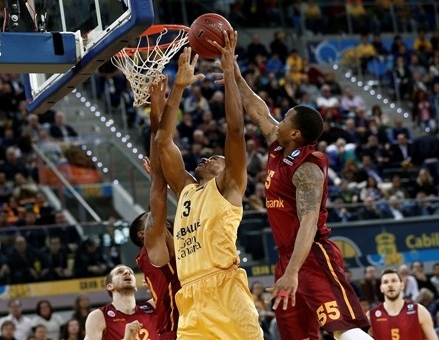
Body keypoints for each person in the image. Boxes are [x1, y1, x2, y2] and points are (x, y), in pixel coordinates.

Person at [223, 32, 371, 340]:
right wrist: (232, 70)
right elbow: (257, 109)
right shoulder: (279, 146)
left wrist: (293, 272)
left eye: (287, 119)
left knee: (343, 329)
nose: (280, 121)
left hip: (312, 256)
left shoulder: (307, 167)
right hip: (286, 259)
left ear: (297, 134)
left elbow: (308, 222)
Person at [154, 37, 262, 338]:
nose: (205, 157)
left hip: (226, 291)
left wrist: (229, 72)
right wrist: (178, 88)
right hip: (190, 296)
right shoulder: (186, 188)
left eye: (215, 158)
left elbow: (236, 129)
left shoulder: (230, 186)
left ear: (228, 169)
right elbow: (163, 141)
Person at [128, 77, 180, 340]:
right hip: (177, 328)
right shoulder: (153, 245)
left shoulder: (169, 242)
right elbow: (158, 194)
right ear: (143, 235)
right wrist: (156, 111)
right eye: (149, 219)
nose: (159, 218)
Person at [83, 265, 159, 340]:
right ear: (110, 286)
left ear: (135, 286)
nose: (127, 272)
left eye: (131, 272)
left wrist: (156, 286)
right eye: (119, 272)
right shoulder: (99, 316)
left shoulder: (153, 306)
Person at [367, 269, 437, 340]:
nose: (390, 285)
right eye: (385, 282)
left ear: (402, 285)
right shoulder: (370, 316)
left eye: (394, 281)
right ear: (381, 288)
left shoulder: (420, 311)